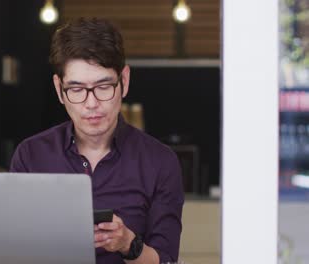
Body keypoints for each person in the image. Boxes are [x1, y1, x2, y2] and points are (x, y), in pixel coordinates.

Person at [10, 17, 184, 264]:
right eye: (77, 89)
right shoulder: (31, 155)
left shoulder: (160, 162)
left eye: (103, 86)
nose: (91, 104)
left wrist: (129, 245)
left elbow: (166, 260)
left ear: (124, 81)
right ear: (59, 89)